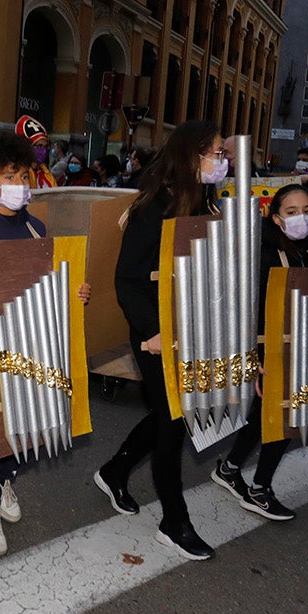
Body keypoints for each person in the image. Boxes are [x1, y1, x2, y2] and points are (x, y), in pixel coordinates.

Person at [0, 131, 91, 556]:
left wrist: (74, 293)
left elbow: (46, 285)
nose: (21, 184)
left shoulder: (36, 227)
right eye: (10, 176)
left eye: (24, 175)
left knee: (27, 419)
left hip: (30, 339)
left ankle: (7, 482)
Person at [92, 121, 227, 561]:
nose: (220, 161)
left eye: (222, 154)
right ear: (190, 155)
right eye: (214, 153)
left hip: (198, 328)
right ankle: (174, 521)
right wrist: (151, 331)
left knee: (174, 413)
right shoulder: (154, 206)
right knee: (174, 420)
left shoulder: (211, 205)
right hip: (156, 330)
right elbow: (128, 279)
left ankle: (115, 471)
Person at [211, 185, 308, 521]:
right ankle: (259, 490)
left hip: (292, 343)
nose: (300, 217)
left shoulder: (302, 249)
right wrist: (256, 358)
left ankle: (229, 469)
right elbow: (246, 308)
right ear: (275, 217)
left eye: (306, 210)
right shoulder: (263, 251)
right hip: (269, 347)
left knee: (263, 416)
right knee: (287, 417)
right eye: (291, 212)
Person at [15, 115, 57, 188]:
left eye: (46, 146)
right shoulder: (19, 173)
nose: (43, 150)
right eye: (39, 146)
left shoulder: (46, 173)